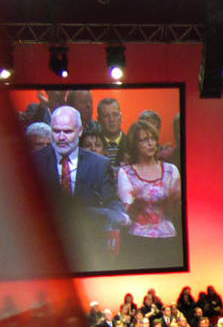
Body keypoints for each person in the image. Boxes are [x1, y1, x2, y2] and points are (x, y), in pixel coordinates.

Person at [30, 105, 126, 269]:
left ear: (80, 131)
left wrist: (118, 215)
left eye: (67, 132)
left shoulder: (99, 164)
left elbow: (112, 203)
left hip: (89, 252)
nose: (61, 137)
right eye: (56, 131)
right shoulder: (33, 162)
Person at [114, 118, 182, 270]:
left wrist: (172, 202)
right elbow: (128, 210)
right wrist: (138, 204)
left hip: (168, 239)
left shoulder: (171, 170)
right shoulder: (126, 173)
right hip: (138, 241)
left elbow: (176, 208)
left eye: (152, 138)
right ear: (135, 145)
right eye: (144, 140)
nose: (151, 143)